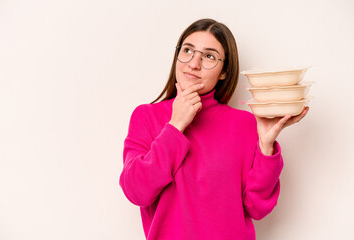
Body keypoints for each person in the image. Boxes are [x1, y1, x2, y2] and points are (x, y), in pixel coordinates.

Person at [119, 18, 309, 240]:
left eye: (209, 56)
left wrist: (266, 146)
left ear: (224, 72)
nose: (194, 63)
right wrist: (176, 125)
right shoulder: (146, 116)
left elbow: (257, 208)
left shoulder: (245, 124)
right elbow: (137, 191)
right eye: (188, 50)